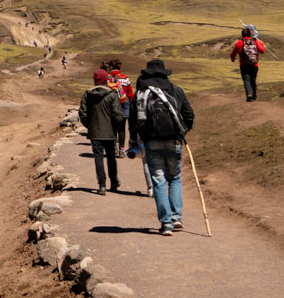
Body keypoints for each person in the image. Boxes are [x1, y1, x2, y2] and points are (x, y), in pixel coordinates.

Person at [127, 58, 196, 233]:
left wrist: (134, 140)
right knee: (175, 178)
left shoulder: (141, 94)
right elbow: (189, 114)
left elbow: (133, 121)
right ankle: (176, 217)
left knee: (158, 181)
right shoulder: (175, 91)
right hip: (174, 142)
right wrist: (183, 131)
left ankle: (166, 224)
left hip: (151, 142)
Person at [77, 68, 126, 195]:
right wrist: (115, 127)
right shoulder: (111, 95)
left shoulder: (87, 94)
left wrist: (90, 125)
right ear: (106, 80)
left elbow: (82, 113)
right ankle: (114, 182)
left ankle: (102, 185)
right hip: (110, 132)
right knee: (111, 158)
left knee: (98, 158)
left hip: (95, 132)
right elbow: (118, 115)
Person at [228, 26, 267, 102]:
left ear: (242, 35)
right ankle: (254, 97)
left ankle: (249, 94)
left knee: (246, 80)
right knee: (253, 80)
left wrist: (233, 59)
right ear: (250, 34)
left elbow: (233, 53)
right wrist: (261, 44)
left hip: (244, 65)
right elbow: (262, 51)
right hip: (254, 65)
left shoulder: (240, 42)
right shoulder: (255, 41)